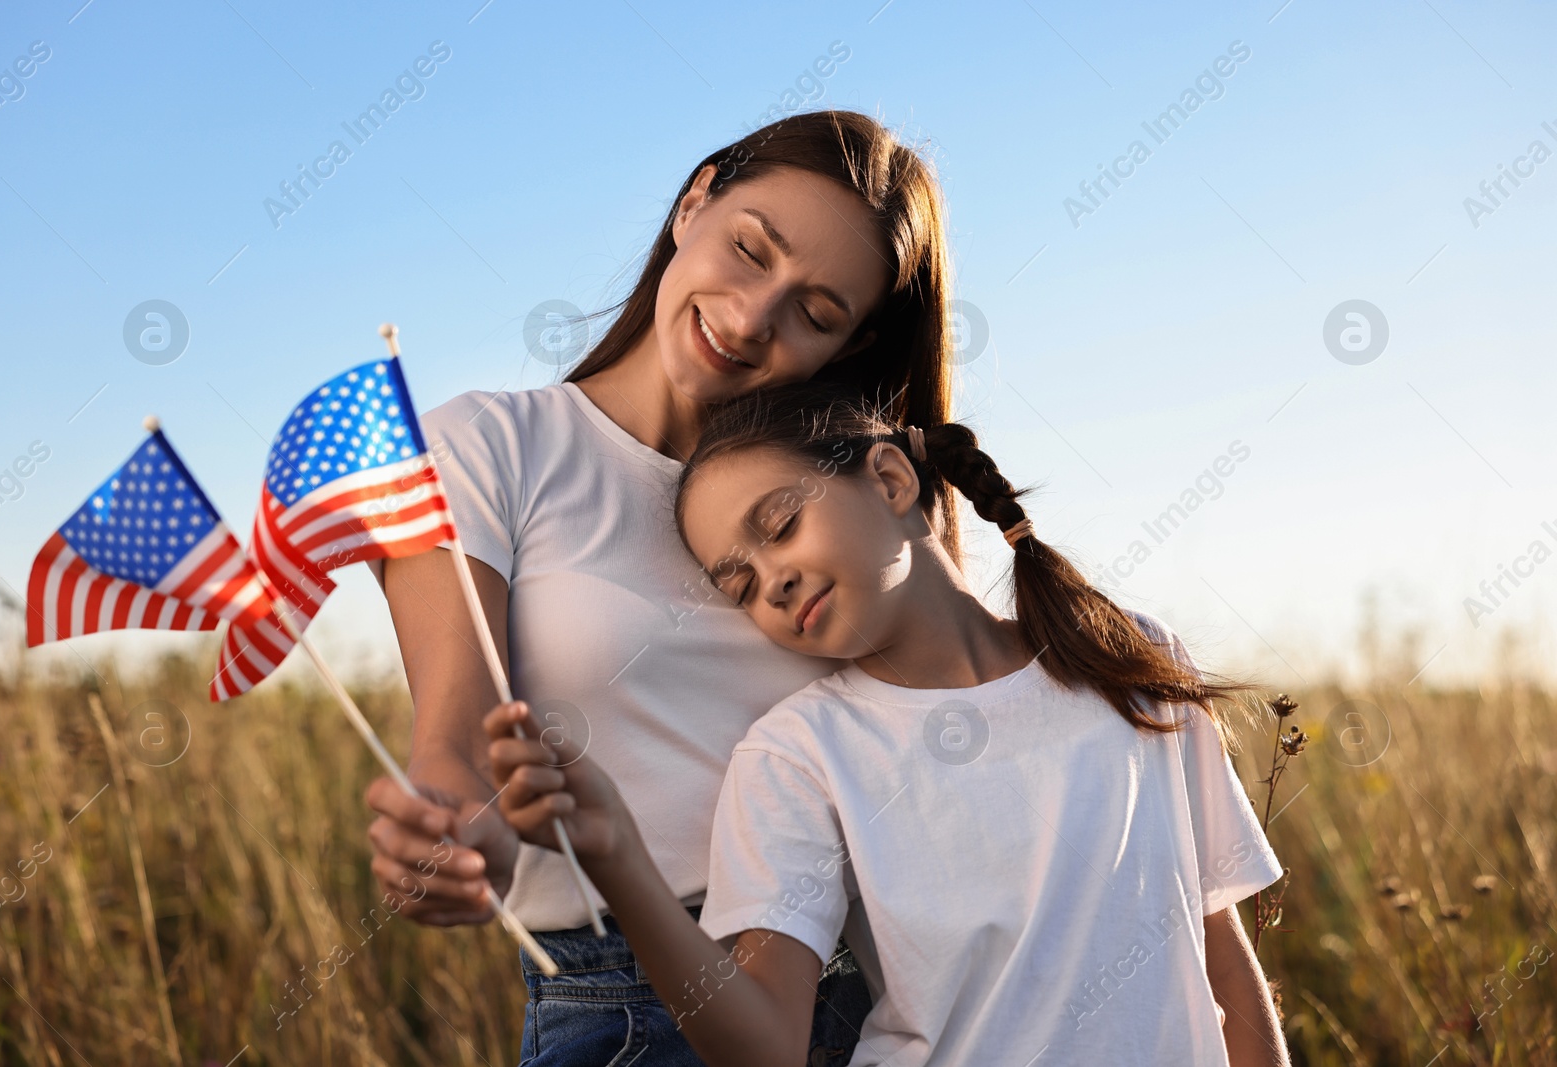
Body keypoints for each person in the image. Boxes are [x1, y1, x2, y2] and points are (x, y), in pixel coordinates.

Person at [363, 110, 965, 1065]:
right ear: (694, 203)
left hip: (901, 993)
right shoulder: (489, 447)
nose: (751, 315)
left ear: (848, 347)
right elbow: (458, 744)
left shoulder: (858, 498)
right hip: (637, 1011)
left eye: (815, 313)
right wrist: (454, 840)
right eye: (748, 248)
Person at [484, 379, 1294, 1065]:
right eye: (738, 584)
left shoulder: (1128, 655)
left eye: (780, 525)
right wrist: (618, 855)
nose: (772, 579)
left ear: (891, 481)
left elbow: (1215, 937)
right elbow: (764, 1043)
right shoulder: (801, 752)